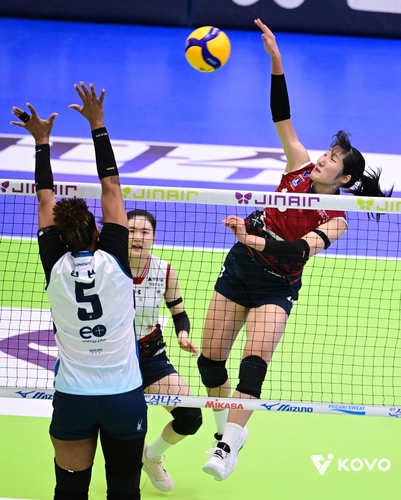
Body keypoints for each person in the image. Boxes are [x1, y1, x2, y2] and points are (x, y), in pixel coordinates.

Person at [198, 19, 393, 482]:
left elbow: (295, 254)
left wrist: (254, 238)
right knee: (210, 363)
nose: (323, 158)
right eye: (327, 152)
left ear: (345, 179)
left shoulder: (338, 219)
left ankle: (225, 447)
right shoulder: (298, 165)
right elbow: (281, 116)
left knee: (253, 365)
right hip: (240, 268)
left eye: (333, 160)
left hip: (276, 284)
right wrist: (276, 62)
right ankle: (229, 433)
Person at [11, 82, 148, 500]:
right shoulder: (116, 261)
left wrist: (41, 141)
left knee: (70, 491)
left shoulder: (55, 266)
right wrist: (97, 125)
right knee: (124, 490)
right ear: (97, 234)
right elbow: (111, 189)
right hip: (123, 396)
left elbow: (44, 201)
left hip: (74, 397)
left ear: (61, 237)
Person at [127, 208, 202, 491]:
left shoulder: (165, 270)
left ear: (153, 238)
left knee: (190, 417)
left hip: (150, 355)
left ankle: (151, 455)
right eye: (131, 231)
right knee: (120, 422)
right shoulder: (107, 266)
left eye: (144, 232)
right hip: (112, 357)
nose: (137, 237)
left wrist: (183, 334)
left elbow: (179, 312)